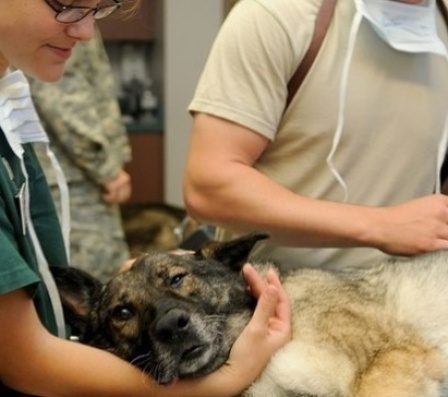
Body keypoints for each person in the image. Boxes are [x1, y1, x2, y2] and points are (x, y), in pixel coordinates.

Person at [0, 1, 291, 396]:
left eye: (98, 10)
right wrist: (225, 381)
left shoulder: (9, 118)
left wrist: (139, 287)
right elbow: (25, 361)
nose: (85, 32)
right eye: (65, 4)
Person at [184, 0, 448, 273]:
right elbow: (208, 188)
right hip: (281, 299)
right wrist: (380, 225)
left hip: (413, 298)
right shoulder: (277, 16)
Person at [29, 27, 132, 282]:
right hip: (71, 179)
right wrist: (106, 169)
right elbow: (62, 97)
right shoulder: (65, 14)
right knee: (94, 288)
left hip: (70, 174)